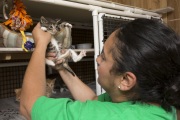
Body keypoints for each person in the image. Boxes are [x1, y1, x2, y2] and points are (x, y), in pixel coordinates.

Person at [20, 18, 180, 120]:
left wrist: (40, 45)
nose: (97, 59)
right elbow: (94, 102)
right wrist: (62, 67)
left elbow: (29, 107)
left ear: (125, 80)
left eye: (103, 57)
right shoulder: (162, 101)